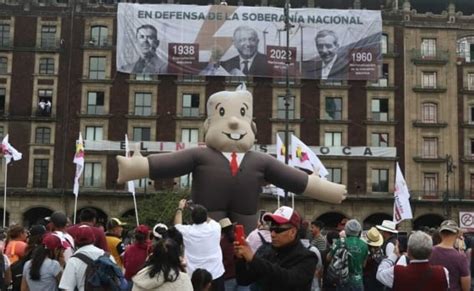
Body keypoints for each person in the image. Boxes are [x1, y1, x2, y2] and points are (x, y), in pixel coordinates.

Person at [116, 87, 347, 234]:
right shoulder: (200, 155)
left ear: (252, 127)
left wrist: (326, 189)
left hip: (246, 215)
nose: (235, 123)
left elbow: (293, 178)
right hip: (208, 213)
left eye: (241, 116)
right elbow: (170, 163)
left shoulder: (260, 160)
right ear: (208, 127)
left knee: (243, 242)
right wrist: (139, 166)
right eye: (224, 115)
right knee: (210, 235)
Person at [234, 206, 318, 290]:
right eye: (272, 228)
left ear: (292, 232)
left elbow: (288, 280)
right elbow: (243, 280)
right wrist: (241, 259)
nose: (272, 234)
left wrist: (253, 259)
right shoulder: (265, 250)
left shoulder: (308, 257)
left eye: (278, 229)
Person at [174, 199, 225, 290]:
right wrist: (192, 208)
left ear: (192, 219)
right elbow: (208, 219)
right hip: (216, 274)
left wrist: (180, 208)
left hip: (194, 277)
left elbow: (177, 225)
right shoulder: (215, 227)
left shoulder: (187, 232)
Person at [376, 231, 449, 291]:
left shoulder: (397, 272)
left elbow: (380, 273)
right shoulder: (443, 272)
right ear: (430, 253)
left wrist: (393, 255)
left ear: (408, 251)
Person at [59, 225, 115, 291]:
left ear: (76, 241)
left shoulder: (73, 260)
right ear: (93, 239)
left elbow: (67, 288)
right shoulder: (108, 256)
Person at [327, 219, 368, 291]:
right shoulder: (364, 245)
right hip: (358, 280)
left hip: (343, 280)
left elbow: (328, 258)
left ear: (346, 229)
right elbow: (364, 265)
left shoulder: (340, 242)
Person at [430, 220, 470, 291]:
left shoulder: (429, 252)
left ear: (440, 233)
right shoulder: (460, 257)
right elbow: (466, 287)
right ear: (457, 234)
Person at [362, 227, 385, 291]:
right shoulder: (381, 251)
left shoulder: (365, 251)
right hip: (377, 281)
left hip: (367, 280)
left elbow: (363, 266)